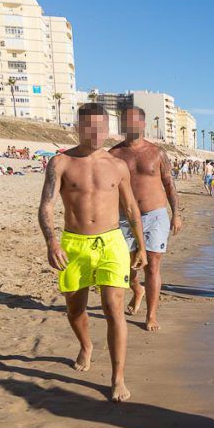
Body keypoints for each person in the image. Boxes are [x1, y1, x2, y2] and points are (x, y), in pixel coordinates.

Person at [39, 103, 147, 402]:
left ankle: (117, 377)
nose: (97, 133)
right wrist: (52, 242)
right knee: (76, 310)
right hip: (74, 244)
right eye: (90, 126)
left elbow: (131, 207)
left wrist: (139, 244)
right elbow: (46, 205)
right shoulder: (60, 163)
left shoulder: (117, 165)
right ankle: (86, 346)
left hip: (112, 243)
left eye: (102, 126)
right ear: (78, 127)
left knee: (115, 311)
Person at [110, 105, 182, 333]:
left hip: (155, 215)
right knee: (128, 266)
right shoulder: (113, 154)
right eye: (125, 121)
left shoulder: (157, 153)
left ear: (142, 124)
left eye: (133, 121)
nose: (129, 125)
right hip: (125, 217)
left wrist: (176, 214)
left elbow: (169, 184)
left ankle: (151, 314)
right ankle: (137, 289)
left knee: (153, 265)